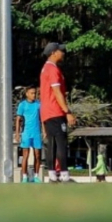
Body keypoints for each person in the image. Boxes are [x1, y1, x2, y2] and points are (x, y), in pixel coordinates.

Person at [40, 42, 76, 183]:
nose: (63, 53)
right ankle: (64, 174)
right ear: (53, 53)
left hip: (47, 111)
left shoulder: (45, 69)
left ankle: (52, 174)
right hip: (55, 111)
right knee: (61, 142)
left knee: (53, 143)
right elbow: (57, 92)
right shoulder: (52, 69)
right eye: (60, 51)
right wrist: (67, 111)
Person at [15, 86, 44, 183]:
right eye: (32, 93)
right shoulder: (22, 105)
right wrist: (17, 133)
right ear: (27, 94)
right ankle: (24, 177)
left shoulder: (38, 104)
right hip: (26, 133)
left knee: (37, 155)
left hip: (36, 133)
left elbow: (42, 119)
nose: (34, 95)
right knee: (25, 155)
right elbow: (18, 119)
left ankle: (36, 176)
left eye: (35, 93)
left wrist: (44, 131)